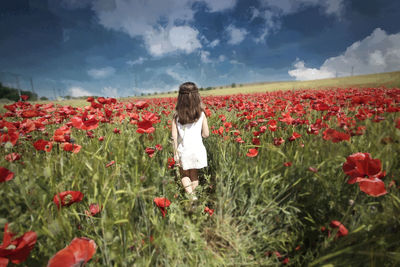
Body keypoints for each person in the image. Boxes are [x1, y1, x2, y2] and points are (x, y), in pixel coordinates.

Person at [171, 82, 209, 201]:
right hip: (197, 150)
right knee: (194, 175)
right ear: (196, 96)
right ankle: (194, 198)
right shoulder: (201, 114)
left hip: (184, 150)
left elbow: (174, 137)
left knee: (184, 175)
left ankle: (192, 198)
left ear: (180, 98)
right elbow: (206, 134)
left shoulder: (176, 116)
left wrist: (175, 153)